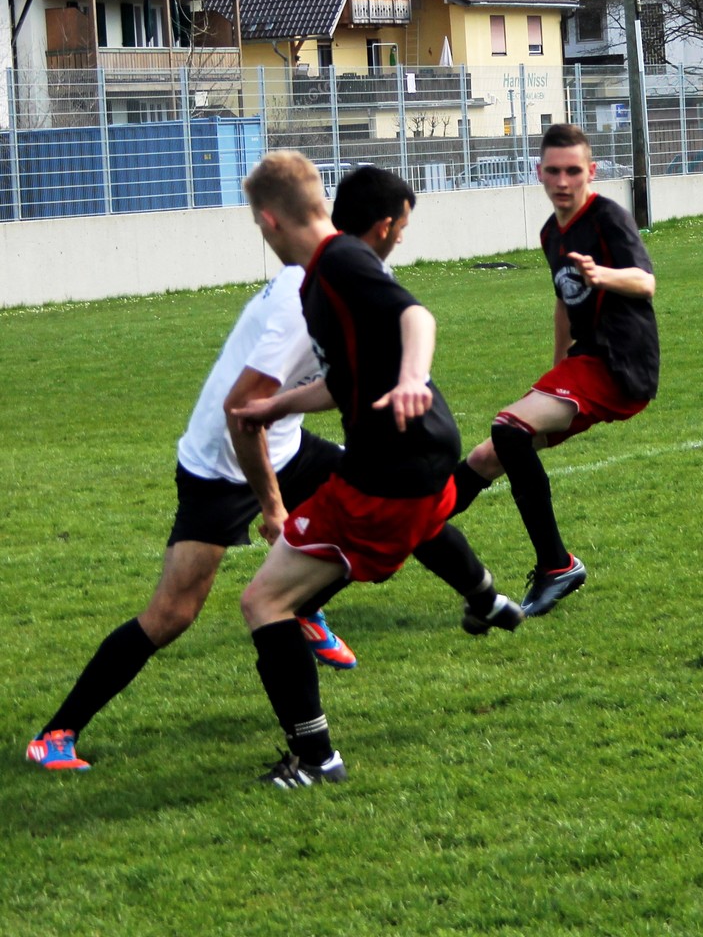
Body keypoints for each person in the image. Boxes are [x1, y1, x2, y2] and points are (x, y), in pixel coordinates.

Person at [25, 165, 416, 773]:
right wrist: (273, 508)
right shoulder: (298, 295)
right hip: (223, 464)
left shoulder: (348, 272)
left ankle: (326, 607)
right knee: (173, 614)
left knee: (393, 501)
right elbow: (241, 414)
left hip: (284, 444)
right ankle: (57, 734)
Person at [236, 151, 522, 790]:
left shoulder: (340, 261)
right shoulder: (319, 283)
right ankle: (485, 601)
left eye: (259, 228)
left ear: (271, 219)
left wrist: (414, 376)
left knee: (265, 601)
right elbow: (346, 383)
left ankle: (316, 761)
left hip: (389, 469)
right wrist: (280, 403)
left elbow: (416, 315)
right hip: (412, 468)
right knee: (360, 556)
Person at [452, 122, 660, 619]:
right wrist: (554, 377)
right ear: (538, 174)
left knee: (509, 427)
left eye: (573, 171)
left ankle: (556, 565)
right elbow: (563, 306)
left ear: (591, 171)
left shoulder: (607, 217)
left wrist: (601, 274)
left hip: (620, 361)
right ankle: (408, 523)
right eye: (553, 171)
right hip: (583, 363)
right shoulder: (551, 232)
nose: (563, 181)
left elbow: (645, 281)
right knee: (490, 454)